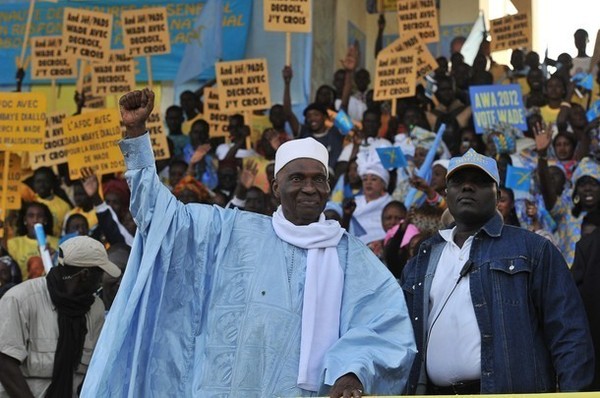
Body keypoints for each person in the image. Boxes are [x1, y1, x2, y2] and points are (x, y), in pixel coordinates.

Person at [81, 88, 416, 398]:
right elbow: (162, 216)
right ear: (275, 187)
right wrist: (138, 136)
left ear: (329, 187)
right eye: (297, 178)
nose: (309, 188)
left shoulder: (351, 257)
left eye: (319, 180)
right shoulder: (230, 230)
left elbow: (385, 325)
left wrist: (353, 371)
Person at [401, 148, 594, 394]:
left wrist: (572, 393)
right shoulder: (423, 257)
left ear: (498, 194)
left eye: (480, 181)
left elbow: (569, 334)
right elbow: (399, 338)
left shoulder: (533, 250)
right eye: (458, 181)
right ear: (446, 192)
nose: (467, 187)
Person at [0, 236, 121, 397]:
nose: (100, 282)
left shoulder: (95, 308)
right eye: (99, 275)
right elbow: (5, 363)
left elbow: (95, 368)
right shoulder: (20, 299)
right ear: (84, 274)